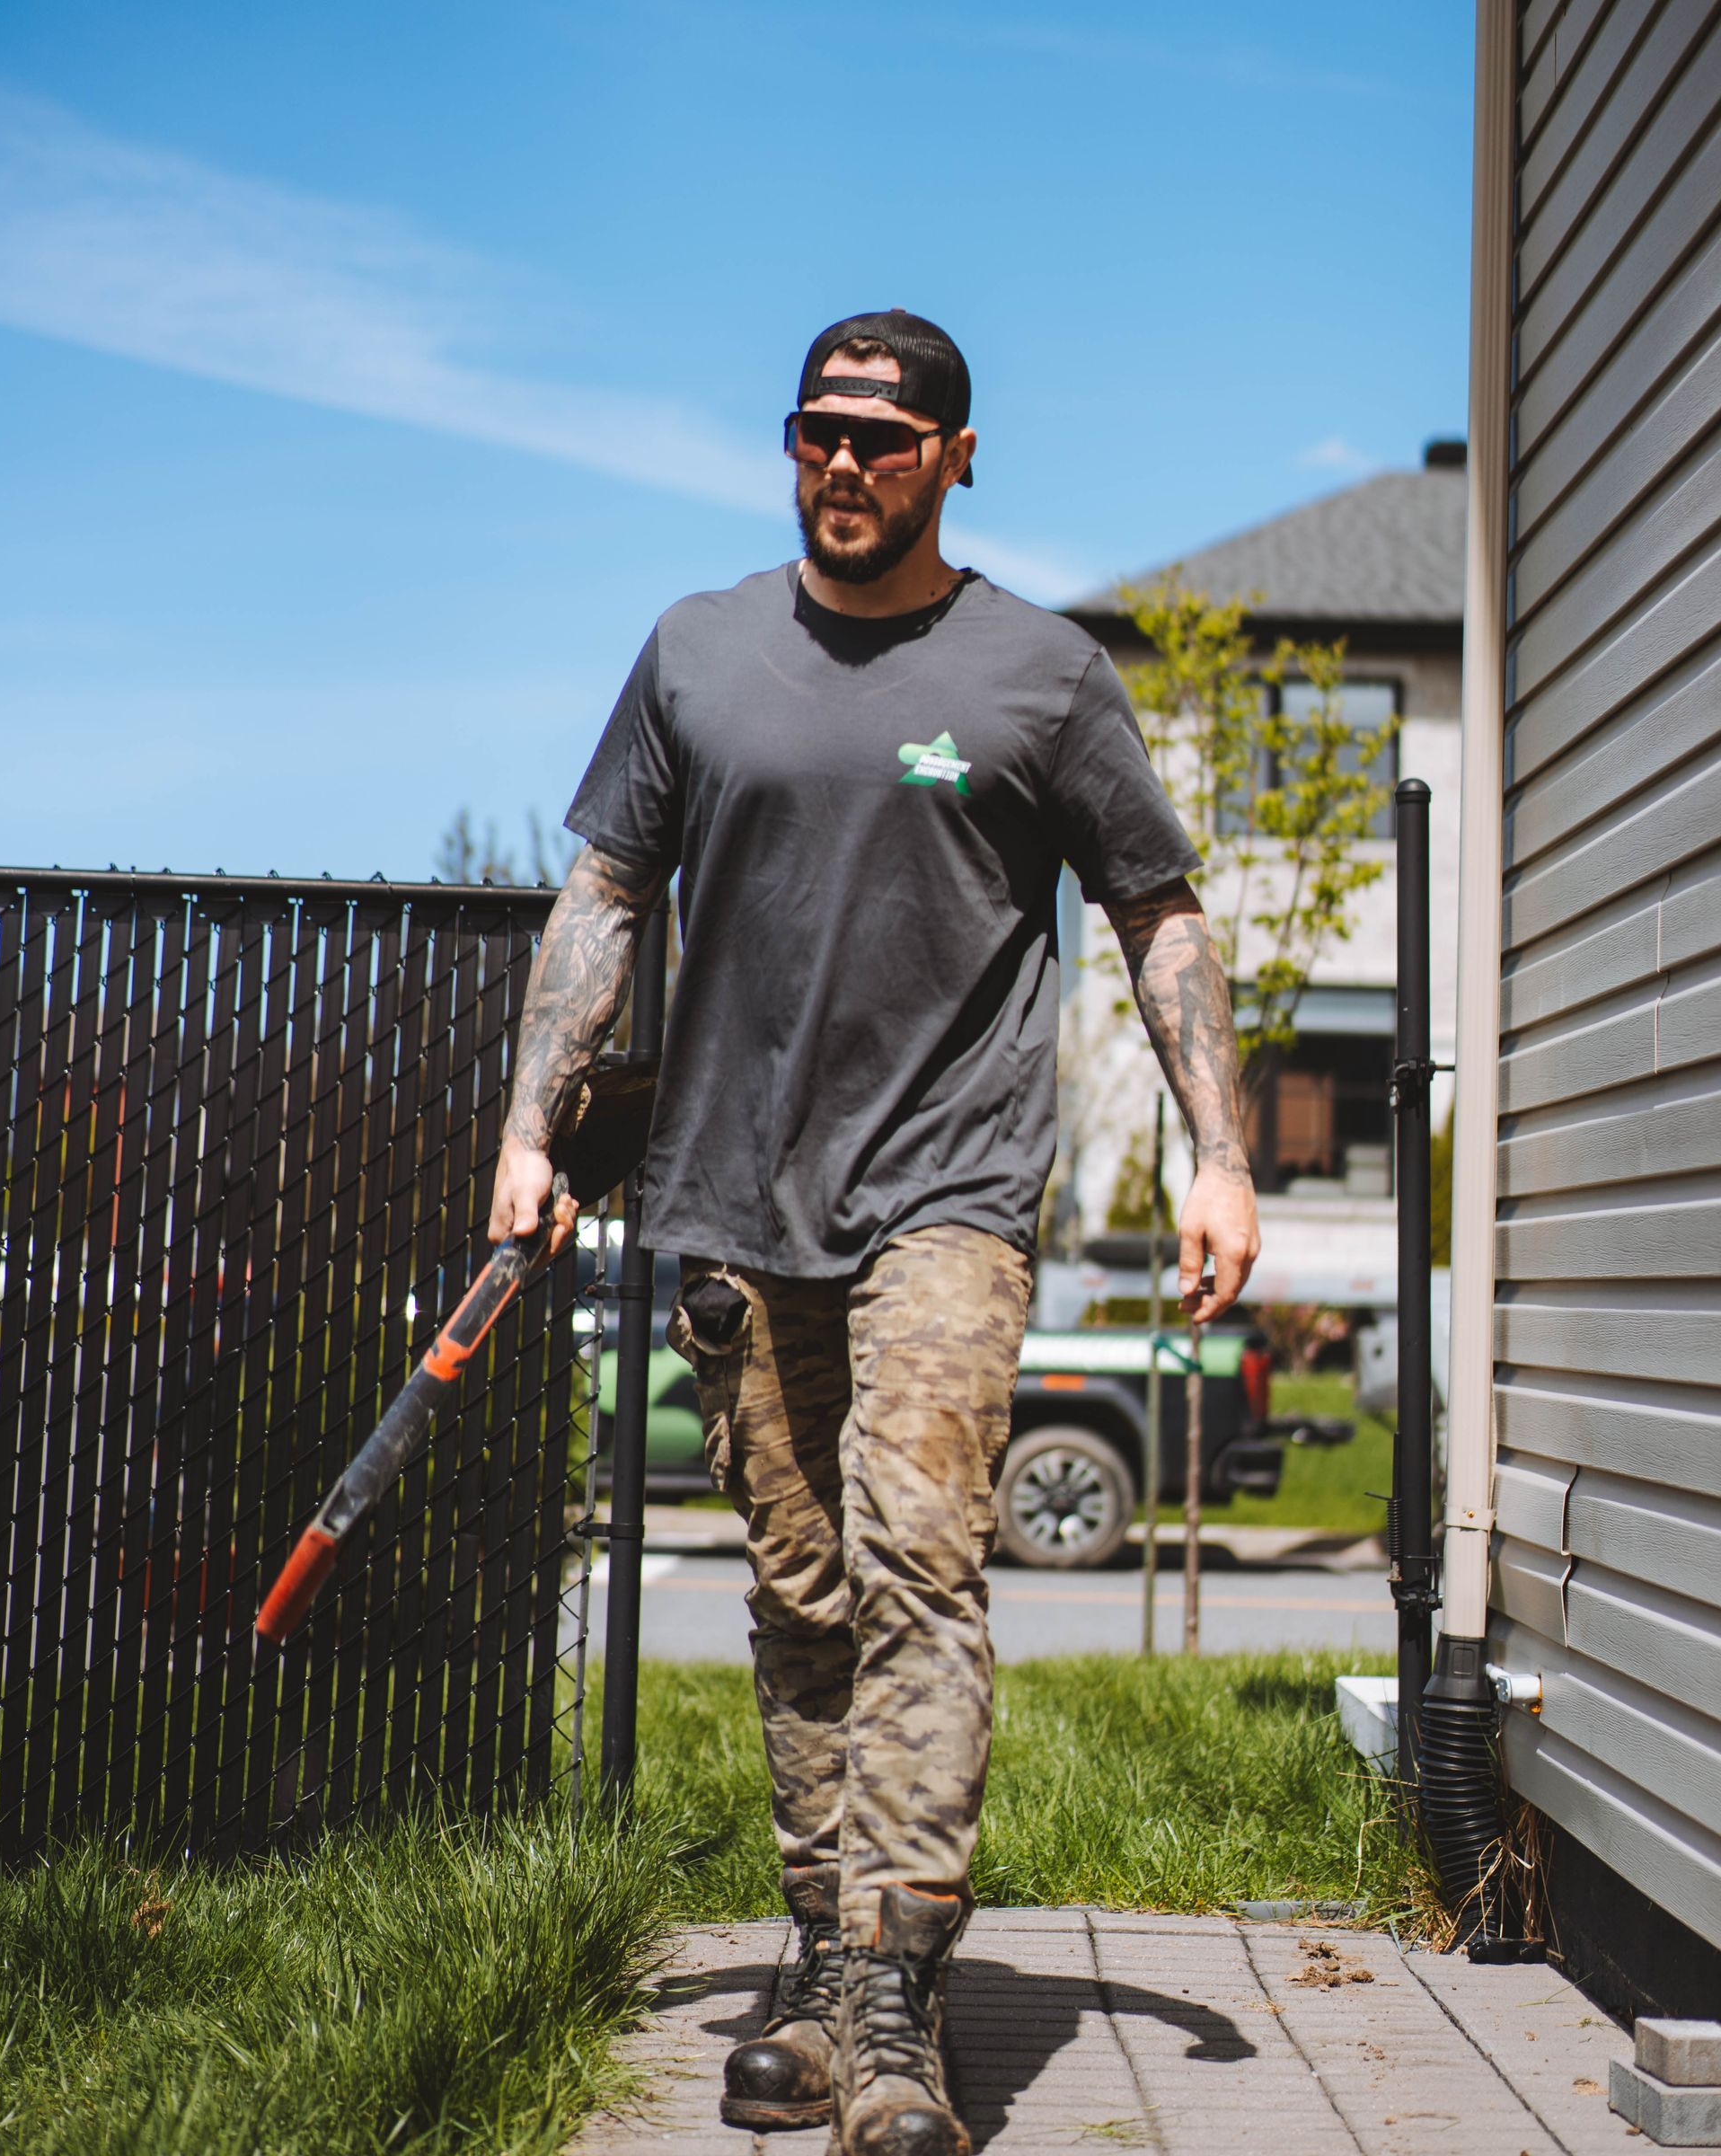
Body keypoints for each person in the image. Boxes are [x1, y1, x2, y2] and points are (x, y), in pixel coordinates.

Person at [488, 309, 1259, 2156]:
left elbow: (1158, 915)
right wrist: (530, 1125)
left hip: (953, 1194)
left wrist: (1221, 1153)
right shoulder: (700, 652)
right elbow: (604, 896)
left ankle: (899, 1992)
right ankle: (829, 1962)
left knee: (920, 1558)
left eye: (886, 439)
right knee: (801, 1590)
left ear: (959, 454)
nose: (845, 465)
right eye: (817, 433)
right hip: (738, 1198)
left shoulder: (1039, 675)